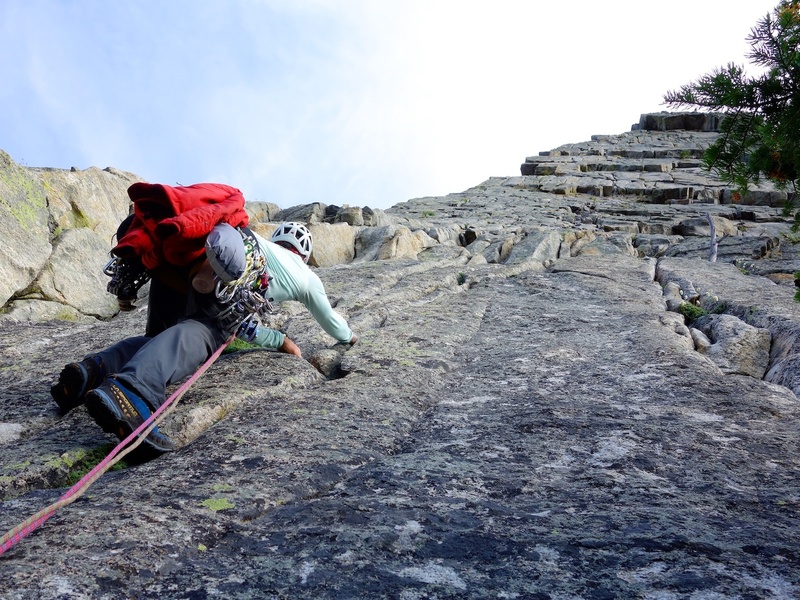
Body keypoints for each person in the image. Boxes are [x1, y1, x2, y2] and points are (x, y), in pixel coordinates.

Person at [50, 182, 357, 460]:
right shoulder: (305, 276)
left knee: (161, 341)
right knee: (206, 331)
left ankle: (93, 371)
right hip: (211, 272)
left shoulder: (251, 239)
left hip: (178, 256)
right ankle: (133, 393)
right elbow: (328, 320)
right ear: (304, 255)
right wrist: (346, 339)